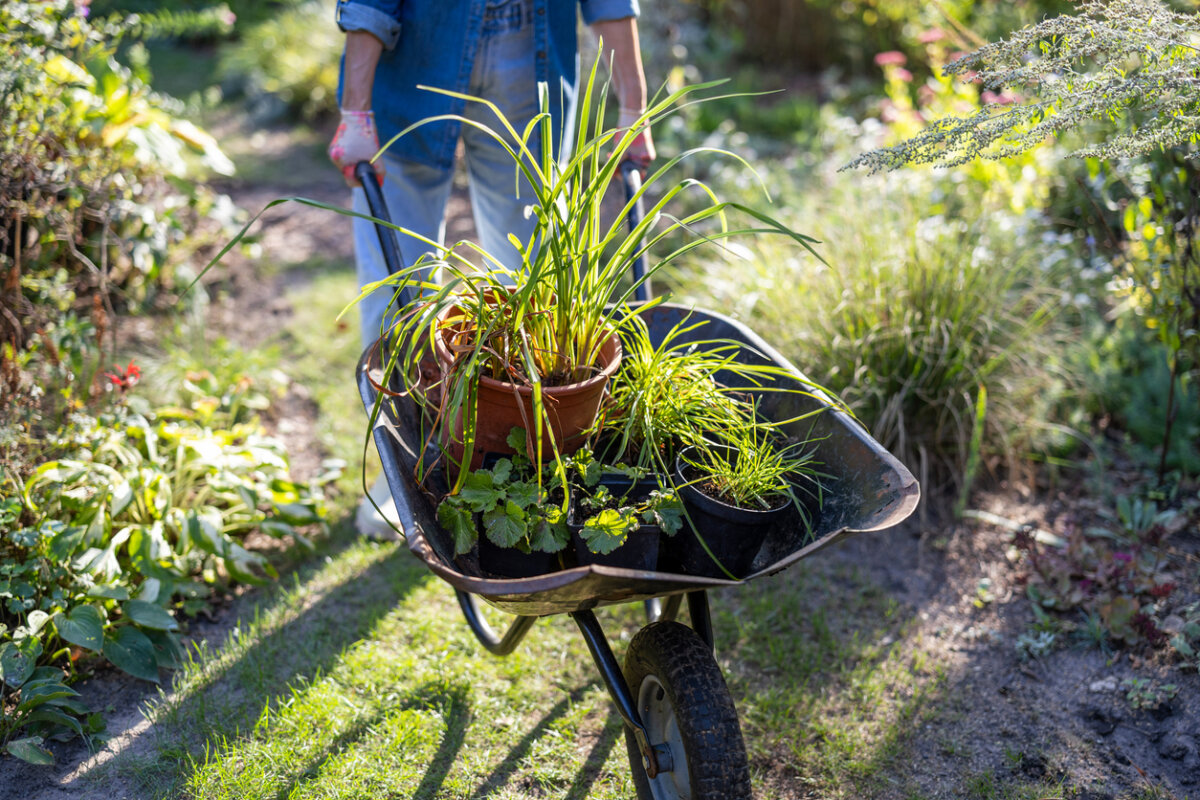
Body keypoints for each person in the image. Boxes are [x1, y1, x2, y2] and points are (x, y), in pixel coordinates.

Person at [327, 0, 656, 538]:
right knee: (397, 298)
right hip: (415, 50)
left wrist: (632, 111)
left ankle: (516, 482)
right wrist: (356, 111)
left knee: (534, 303)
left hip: (532, 54)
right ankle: (404, 481)